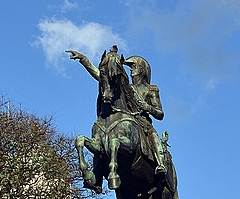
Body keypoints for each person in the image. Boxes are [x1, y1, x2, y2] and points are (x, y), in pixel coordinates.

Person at [67, 46, 167, 175]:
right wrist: (83, 59)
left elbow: (160, 114)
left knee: (154, 136)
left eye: (134, 67)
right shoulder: (126, 86)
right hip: (128, 119)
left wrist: (146, 107)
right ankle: (97, 174)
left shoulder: (151, 89)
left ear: (142, 70)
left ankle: (160, 164)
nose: (131, 70)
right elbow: (100, 75)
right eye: (130, 67)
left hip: (143, 123)